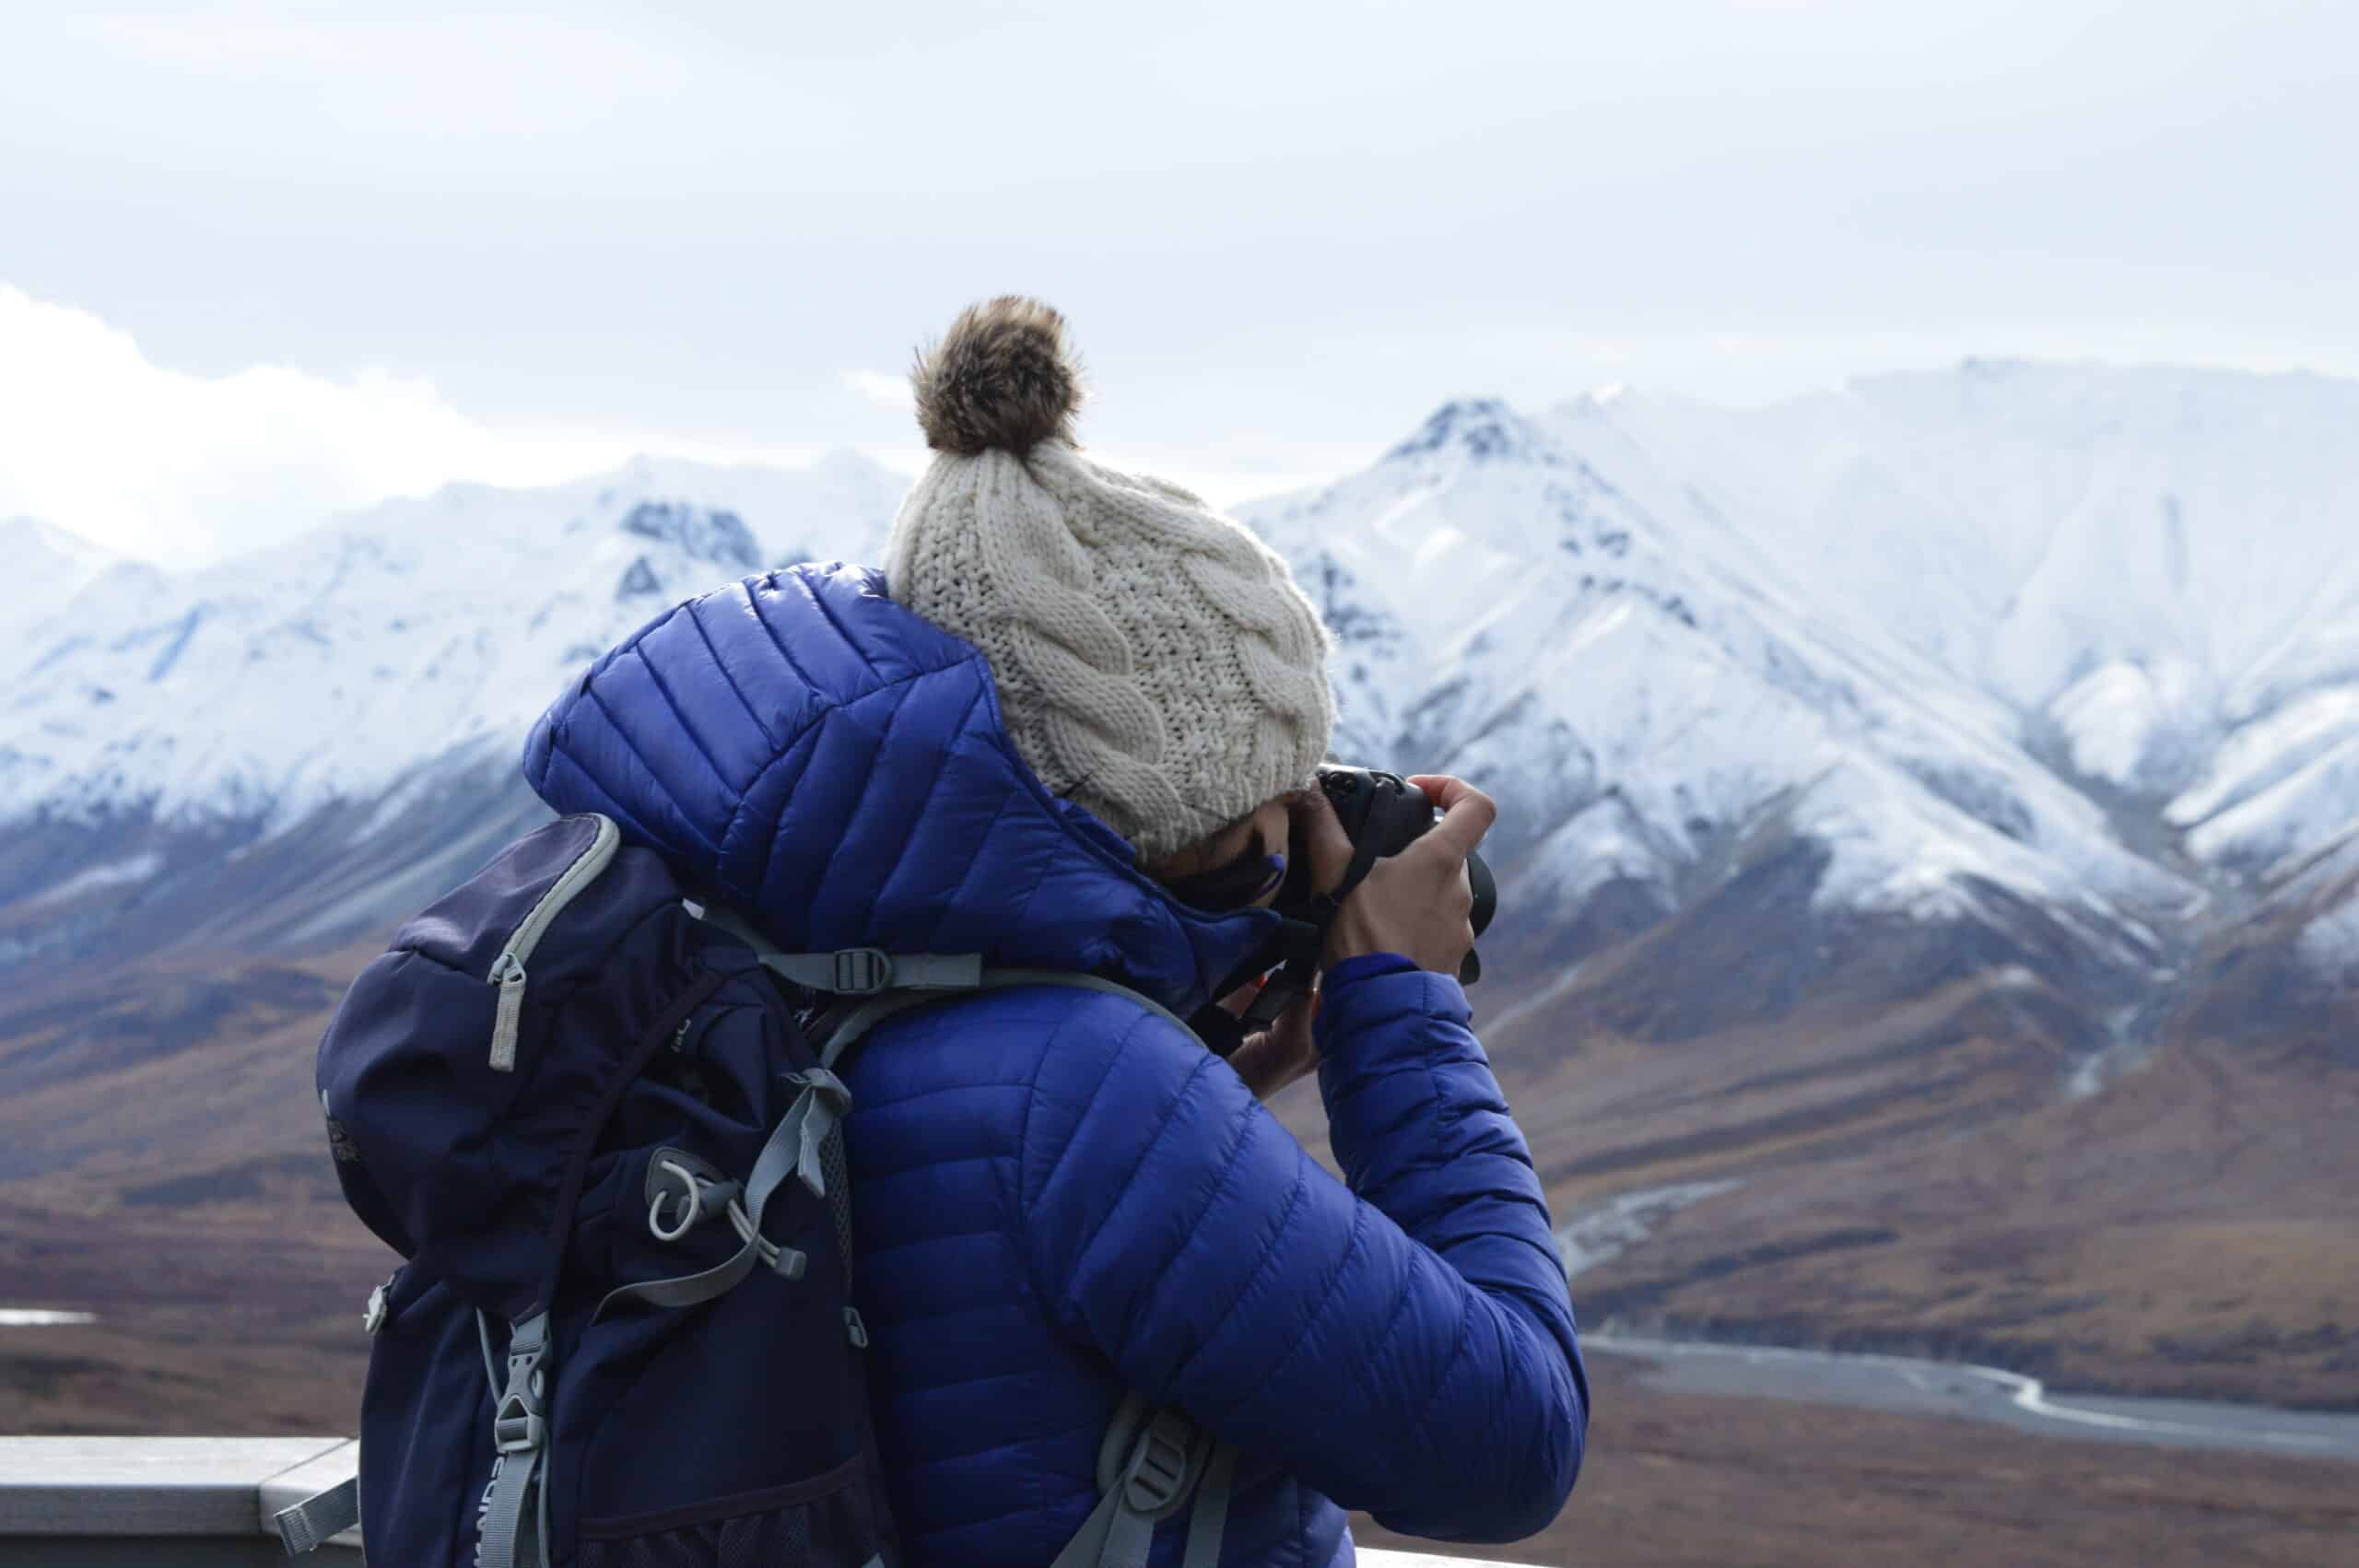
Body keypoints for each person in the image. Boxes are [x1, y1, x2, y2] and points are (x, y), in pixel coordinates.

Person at [523, 296, 1588, 1565]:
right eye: (1273, 803)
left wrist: (1210, 1081)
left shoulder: (756, 966)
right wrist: (1400, 1010)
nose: (1301, 838)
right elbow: (1508, 1446)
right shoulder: (1088, 1096)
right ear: (1156, 817)